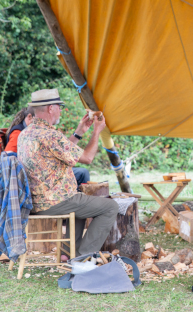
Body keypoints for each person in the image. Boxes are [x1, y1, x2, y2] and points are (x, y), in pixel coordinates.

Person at [17, 89, 119, 255]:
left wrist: (79, 132)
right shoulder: (50, 135)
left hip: (34, 201)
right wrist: (96, 131)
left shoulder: (26, 133)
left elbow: (62, 152)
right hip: (54, 202)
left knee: (79, 203)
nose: (61, 110)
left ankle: (68, 254)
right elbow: (87, 158)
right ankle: (84, 257)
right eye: (59, 107)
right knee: (110, 207)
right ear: (51, 108)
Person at [0, 106, 91, 188]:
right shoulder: (19, 133)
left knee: (81, 172)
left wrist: (78, 132)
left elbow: (63, 150)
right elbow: (8, 159)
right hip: (35, 180)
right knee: (82, 173)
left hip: (43, 175)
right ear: (30, 117)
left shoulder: (37, 132)